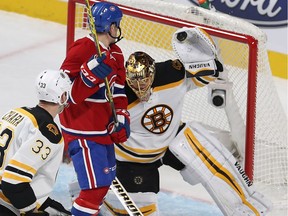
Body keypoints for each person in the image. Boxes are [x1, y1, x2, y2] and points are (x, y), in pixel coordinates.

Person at [99, 27, 272, 215]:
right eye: (134, 83)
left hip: (172, 140)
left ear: (153, 73)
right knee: (136, 208)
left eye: (144, 82)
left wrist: (200, 51)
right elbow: (94, 127)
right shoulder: (117, 95)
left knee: (213, 157)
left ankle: (250, 207)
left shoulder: (171, 74)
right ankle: (101, 203)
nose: (140, 88)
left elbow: (209, 72)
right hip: (133, 159)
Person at [59, 2, 130, 215]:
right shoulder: (82, 48)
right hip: (82, 131)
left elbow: (118, 92)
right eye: (116, 24)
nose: (118, 28)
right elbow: (63, 95)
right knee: (94, 190)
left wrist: (122, 118)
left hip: (103, 130)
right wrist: (88, 76)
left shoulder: (116, 53)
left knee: (103, 185)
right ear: (109, 26)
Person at [0, 69, 72, 216]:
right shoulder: (48, 132)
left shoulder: (15, 112)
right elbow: (13, 182)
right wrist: (32, 211)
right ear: (62, 96)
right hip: (8, 204)